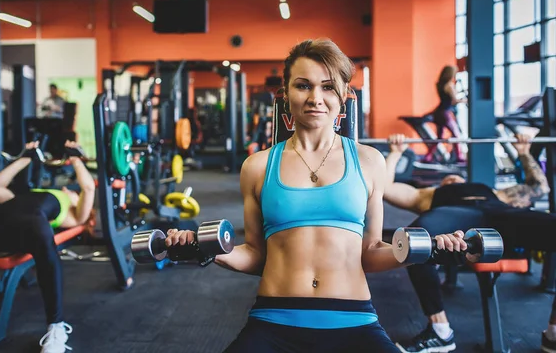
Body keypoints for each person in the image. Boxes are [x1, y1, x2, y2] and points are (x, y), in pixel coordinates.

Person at [165, 39, 469, 353]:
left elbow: (371, 251)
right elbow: (257, 255)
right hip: (273, 320)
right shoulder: (256, 167)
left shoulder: (369, 162)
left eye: (327, 87)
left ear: (344, 95)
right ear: (284, 94)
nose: (315, 98)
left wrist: (428, 249)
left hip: (354, 321)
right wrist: (206, 248)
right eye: (303, 86)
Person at [384, 133, 556, 353]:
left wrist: (523, 151)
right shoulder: (426, 195)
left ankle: (553, 333)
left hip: (499, 214)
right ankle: (440, 331)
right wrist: (396, 153)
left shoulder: (495, 193)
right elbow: (384, 187)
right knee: (417, 240)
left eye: (457, 177)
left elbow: (539, 187)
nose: (453, 178)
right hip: (454, 216)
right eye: (448, 178)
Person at [0, 140, 95, 353]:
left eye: (72, 191)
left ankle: (56, 329)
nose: (67, 188)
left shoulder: (72, 213)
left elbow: (87, 186)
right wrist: (25, 158)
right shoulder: (23, 198)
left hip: (32, 226)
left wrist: (75, 159)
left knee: (44, 242)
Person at [424, 65, 467, 163]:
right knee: (456, 135)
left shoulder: (439, 84)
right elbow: (454, 101)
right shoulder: (450, 85)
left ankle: (428, 156)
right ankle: (459, 156)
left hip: (438, 112)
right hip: (445, 113)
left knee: (439, 137)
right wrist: (465, 100)